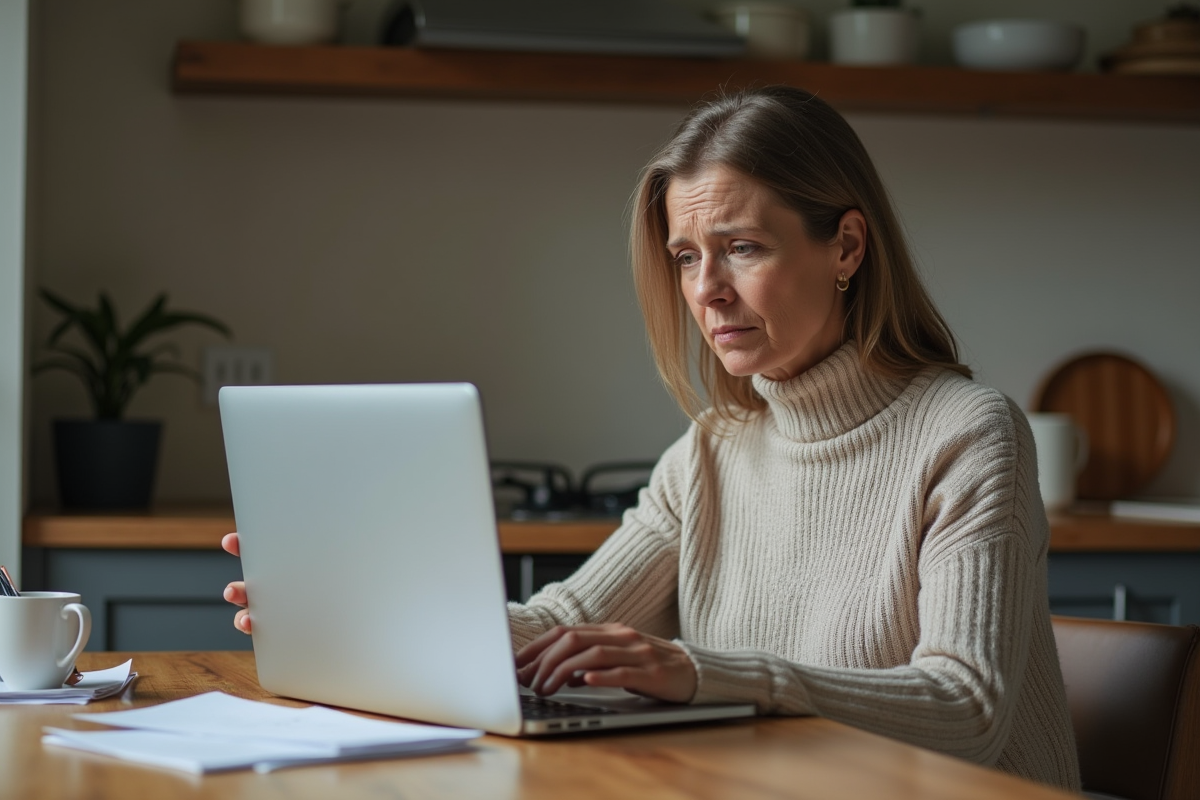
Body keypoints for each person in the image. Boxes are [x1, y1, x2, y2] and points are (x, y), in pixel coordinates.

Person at [223, 86, 1081, 791]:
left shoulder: (969, 434)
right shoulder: (713, 449)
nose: (705, 291)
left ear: (846, 247)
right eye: (684, 257)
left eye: (741, 247)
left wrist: (705, 671)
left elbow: (967, 709)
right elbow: (564, 622)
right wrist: (361, 619)